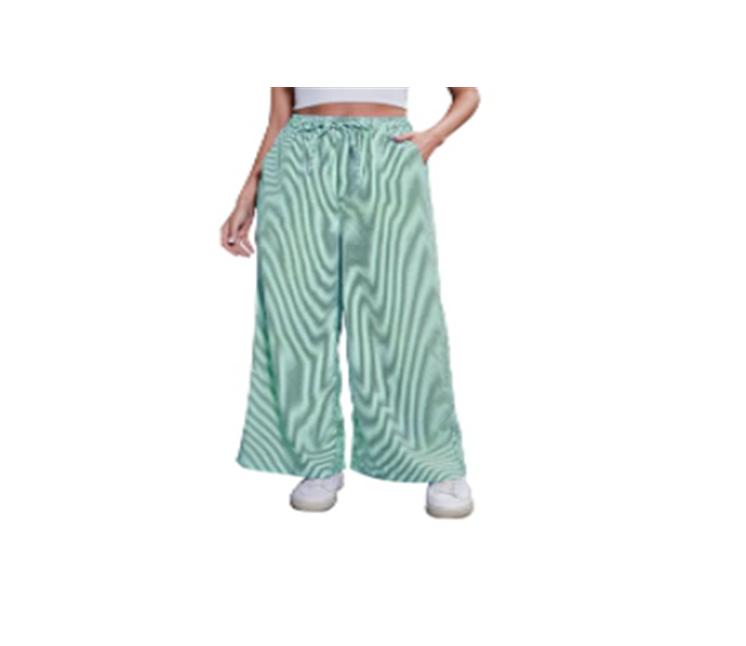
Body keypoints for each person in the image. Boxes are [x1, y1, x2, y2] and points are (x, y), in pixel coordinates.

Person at [221, 87, 480, 518]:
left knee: (403, 314)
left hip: (385, 154)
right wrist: (247, 194)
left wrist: (433, 137)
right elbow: (279, 119)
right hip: (298, 160)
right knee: (295, 315)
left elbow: (467, 95)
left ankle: (437, 461)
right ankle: (316, 458)